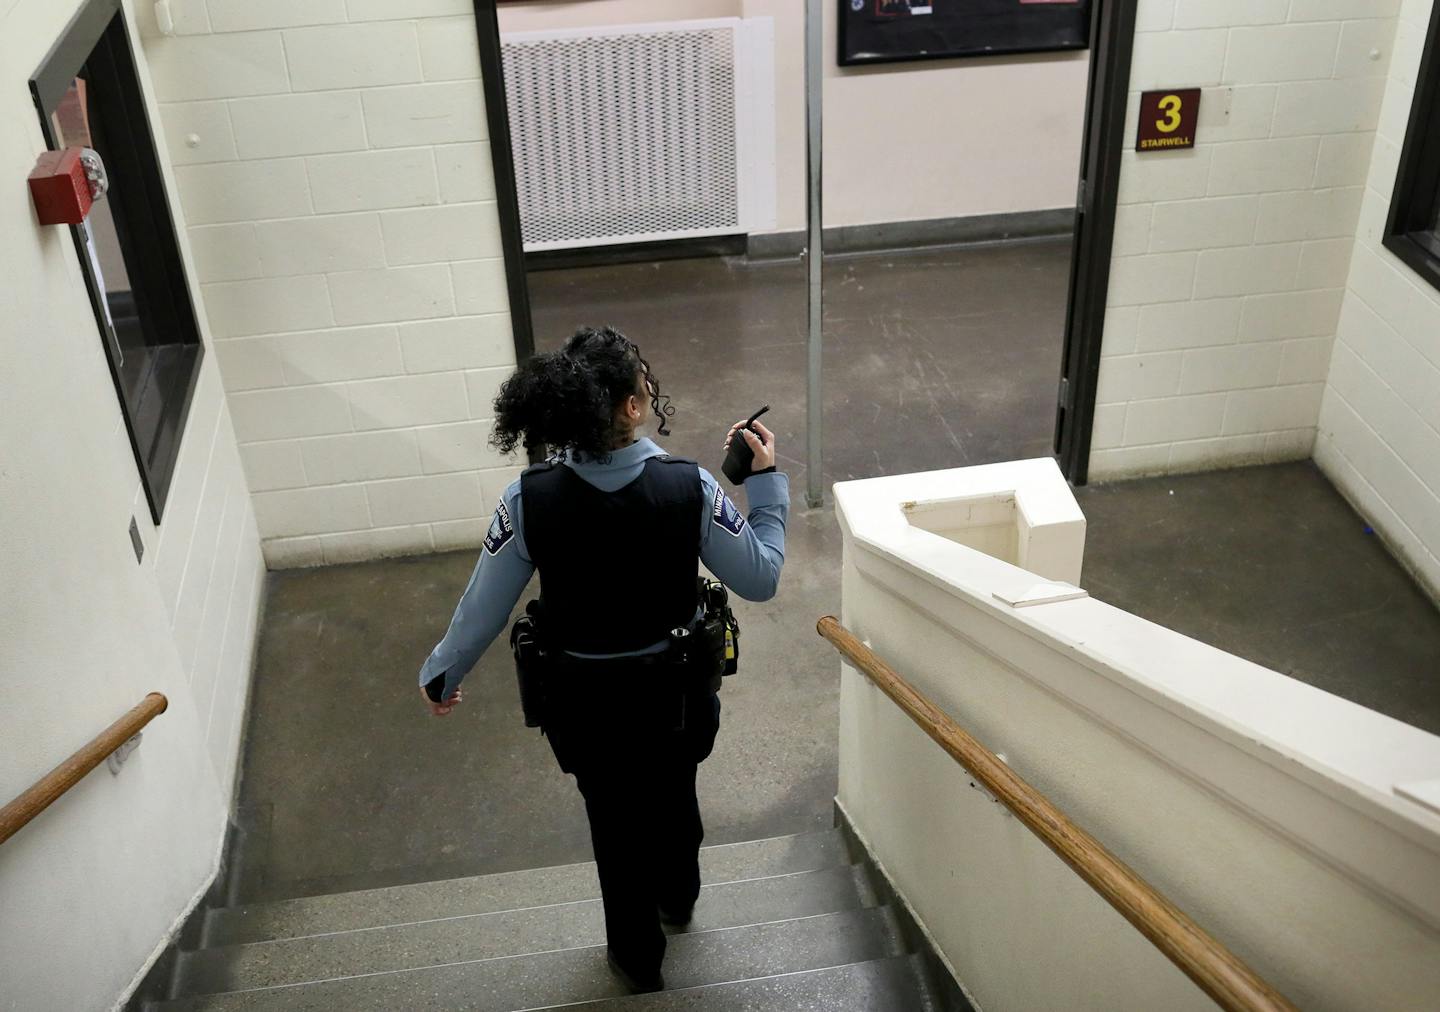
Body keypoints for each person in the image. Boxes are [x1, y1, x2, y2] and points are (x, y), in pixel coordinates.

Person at [416, 325, 788, 993]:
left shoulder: (527, 500)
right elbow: (760, 577)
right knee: (675, 797)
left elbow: (483, 608)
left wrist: (441, 673)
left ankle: (637, 961)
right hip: (676, 703)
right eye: (644, 387)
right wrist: (766, 490)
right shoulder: (691, 488)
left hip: (585, 711)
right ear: (632, 407)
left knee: (613, 824)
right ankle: (678, 898)